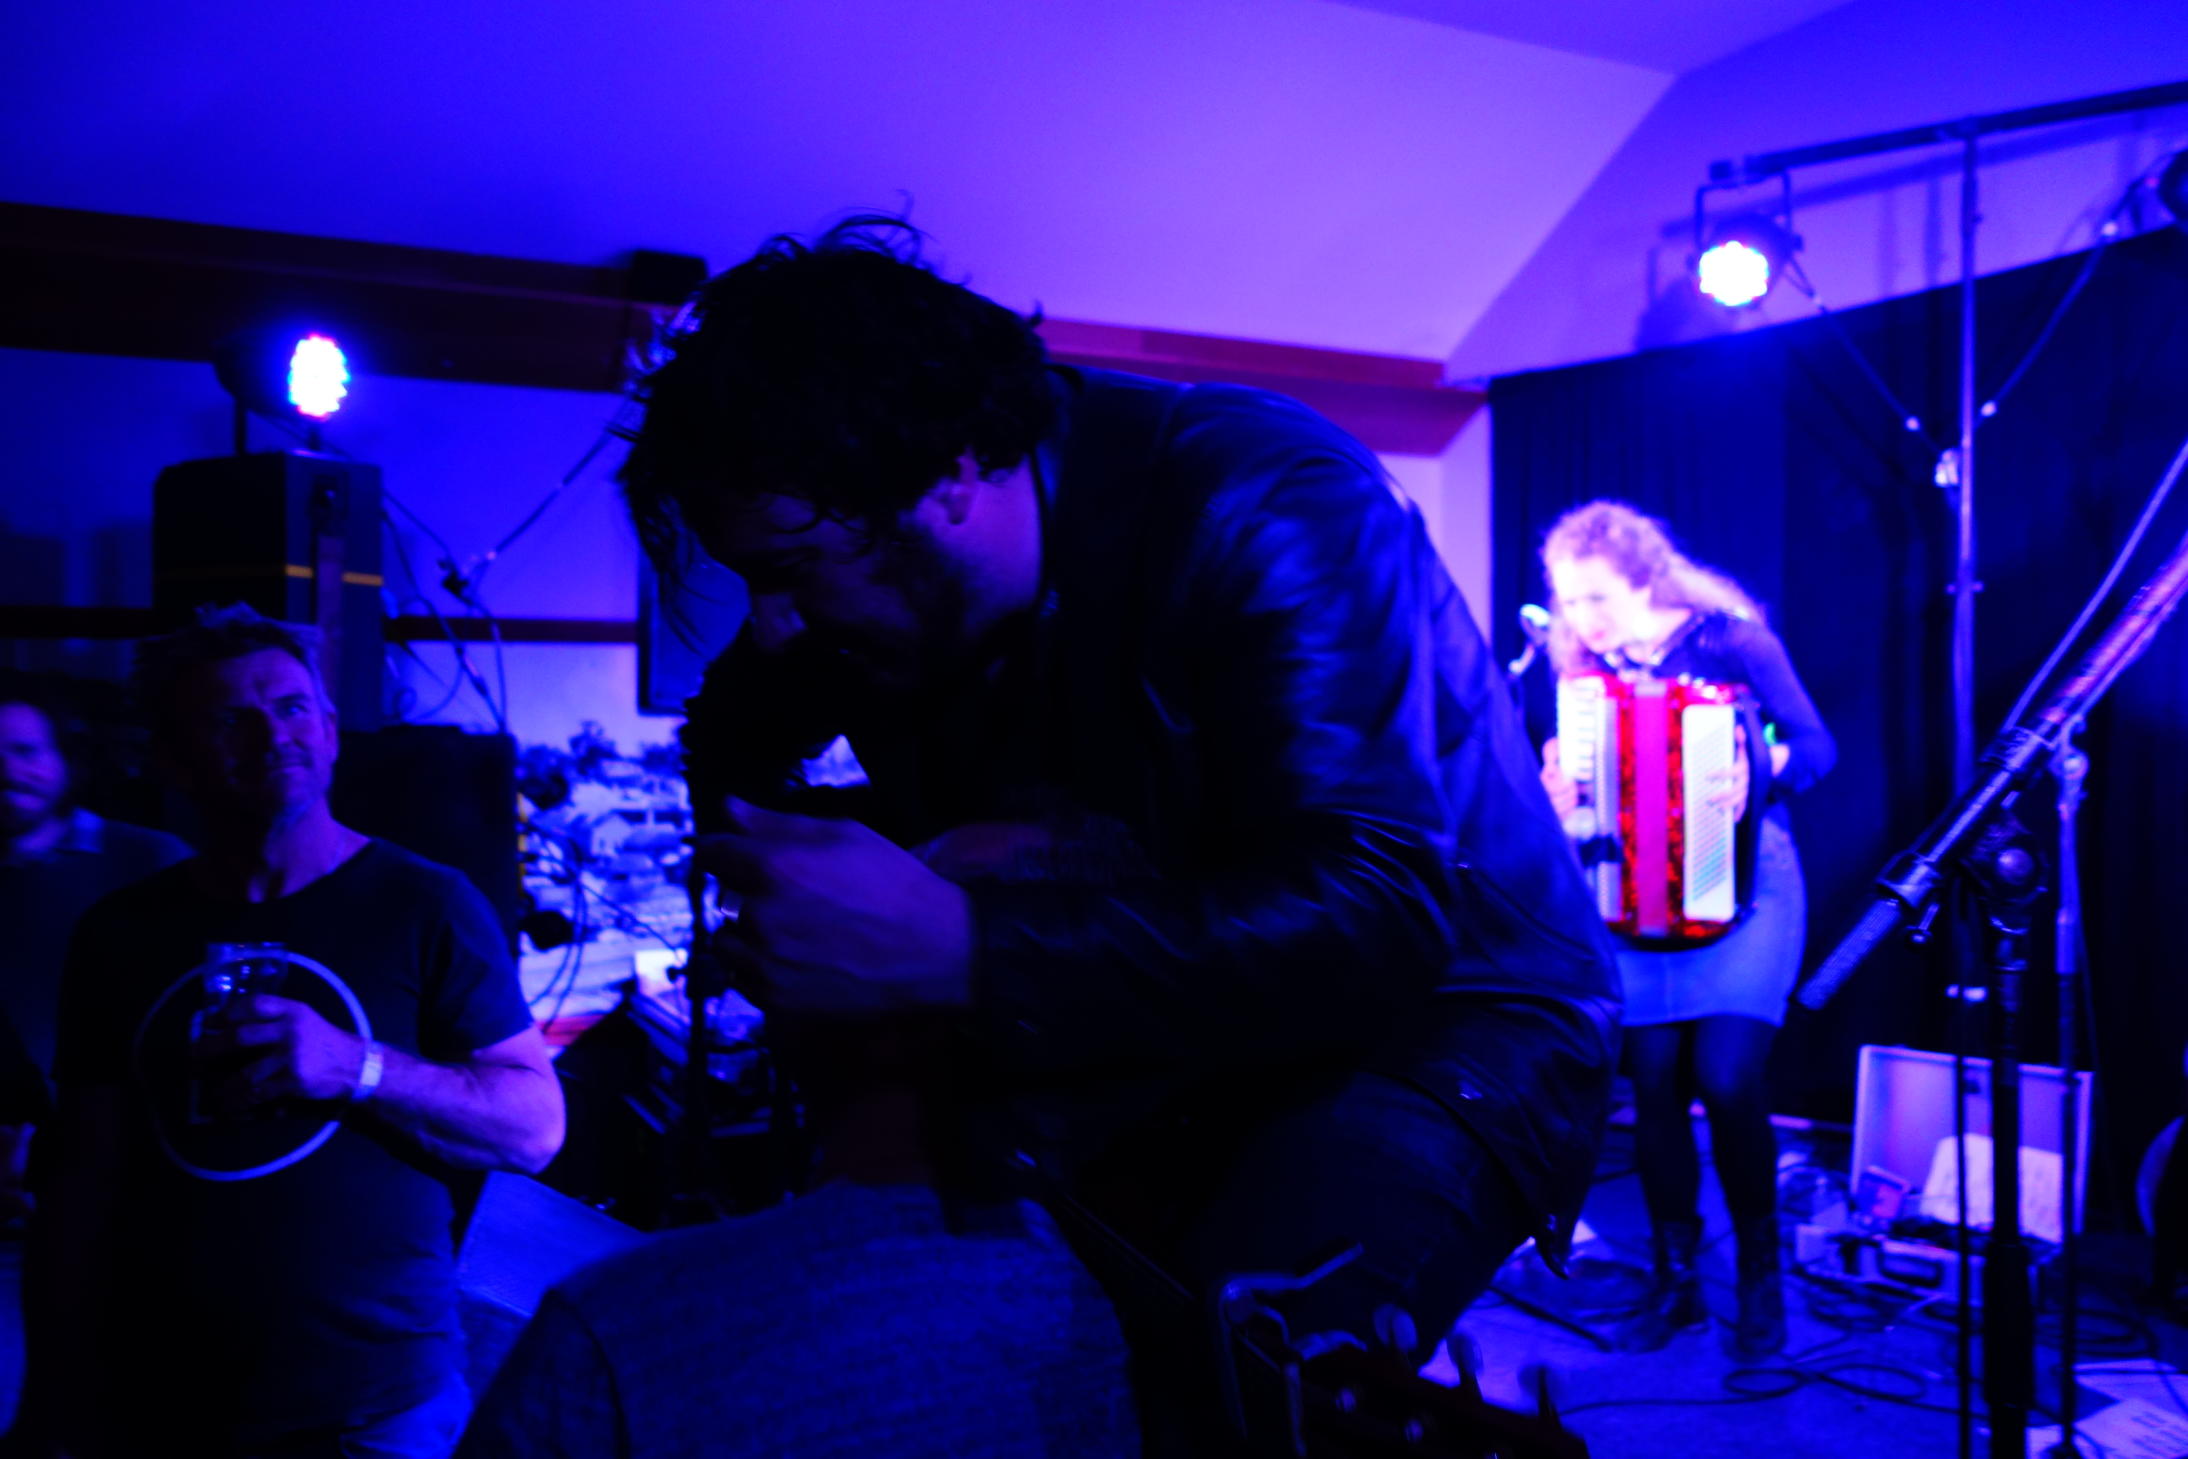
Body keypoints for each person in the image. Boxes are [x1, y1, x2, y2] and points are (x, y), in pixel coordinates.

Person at [474, 218, 1620, 1453]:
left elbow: (1375, 906)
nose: (773, 622)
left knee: (1223, 1361)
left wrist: (963, 944)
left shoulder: (1265, 502)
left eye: (792, 570)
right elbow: (733, 735)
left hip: (1449, 1020)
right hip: (1168, 1020)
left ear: (951, 476)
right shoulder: (864, 576)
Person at [20, 606, 565, 1458]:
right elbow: (81, 1183)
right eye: (230, 719)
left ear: (331, 729)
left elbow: (534, 1127)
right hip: (157, 1401)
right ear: (171, 758)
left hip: (376, 1409)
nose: (272, 734)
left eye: (290, 706)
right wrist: (50, 1392)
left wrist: (355, 1065)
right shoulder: (120, 933)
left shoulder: (426, 903)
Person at [1536, 500, 1835, 1361]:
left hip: (1743, 886)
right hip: (1630, 902)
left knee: (1728, 1077)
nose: (1581, 616)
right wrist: (1559, 792)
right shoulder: (1583, 671)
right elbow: (1580, 793)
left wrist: (1758, 767)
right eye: (1568, 599)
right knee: (1656, 1084)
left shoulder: (1734, 642)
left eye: (1596, 597)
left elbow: (1818, 746)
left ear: (1645, 579)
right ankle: (1678, 1284)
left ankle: (1760, 1277)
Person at [0, 675, 188, 1210]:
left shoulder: (147, 859)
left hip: (126, 1166)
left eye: (25, 751)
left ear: (65, 757)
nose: (8, 770)